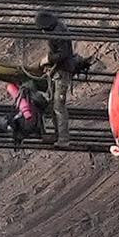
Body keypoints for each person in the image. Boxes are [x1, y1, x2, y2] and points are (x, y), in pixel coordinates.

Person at [35, 10, 75, 148]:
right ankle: (58, 135)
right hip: (58, 71)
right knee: (53, 105)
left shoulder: (58, 33)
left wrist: (48, 59)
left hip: (62, 72)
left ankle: (63, 139)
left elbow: (63, 54)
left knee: (58, 106)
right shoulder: (58, 28)